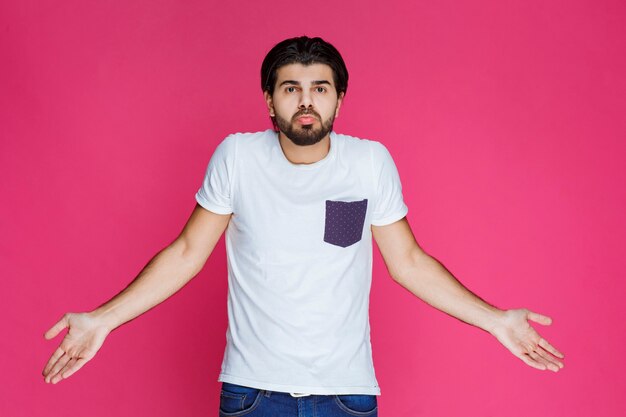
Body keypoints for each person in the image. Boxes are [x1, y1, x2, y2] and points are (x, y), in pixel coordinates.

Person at [42, 36, 565, 416]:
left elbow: (408, 262)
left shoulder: (368, 164)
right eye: (291, 88)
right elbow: (186, 253)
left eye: (320, 88)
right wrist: (103, 319)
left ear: (340, 99)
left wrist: (495, 320)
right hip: (251, 393)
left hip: (346, 394)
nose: (307, 100)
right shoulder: (238, 157)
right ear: (269, 100)